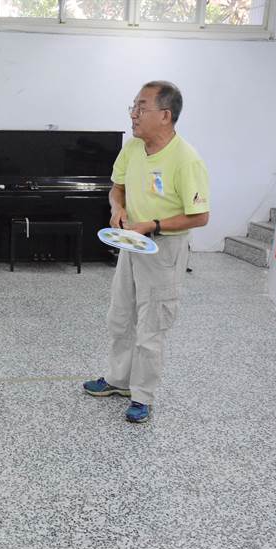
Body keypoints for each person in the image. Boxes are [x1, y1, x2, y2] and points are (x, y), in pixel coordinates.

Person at [83, 81, 210, 424]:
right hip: (133, 242)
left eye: (142, 108)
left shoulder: (186, 160)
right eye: (133, 107)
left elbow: (200, 215)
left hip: (164, 248)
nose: (133, 114)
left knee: (152, 325)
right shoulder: (133, 147)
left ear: (165, 116)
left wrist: (152, 224)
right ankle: (118, 380)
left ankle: (143, 396)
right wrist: (117, 209)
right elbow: (117, 187)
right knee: (120, 316)